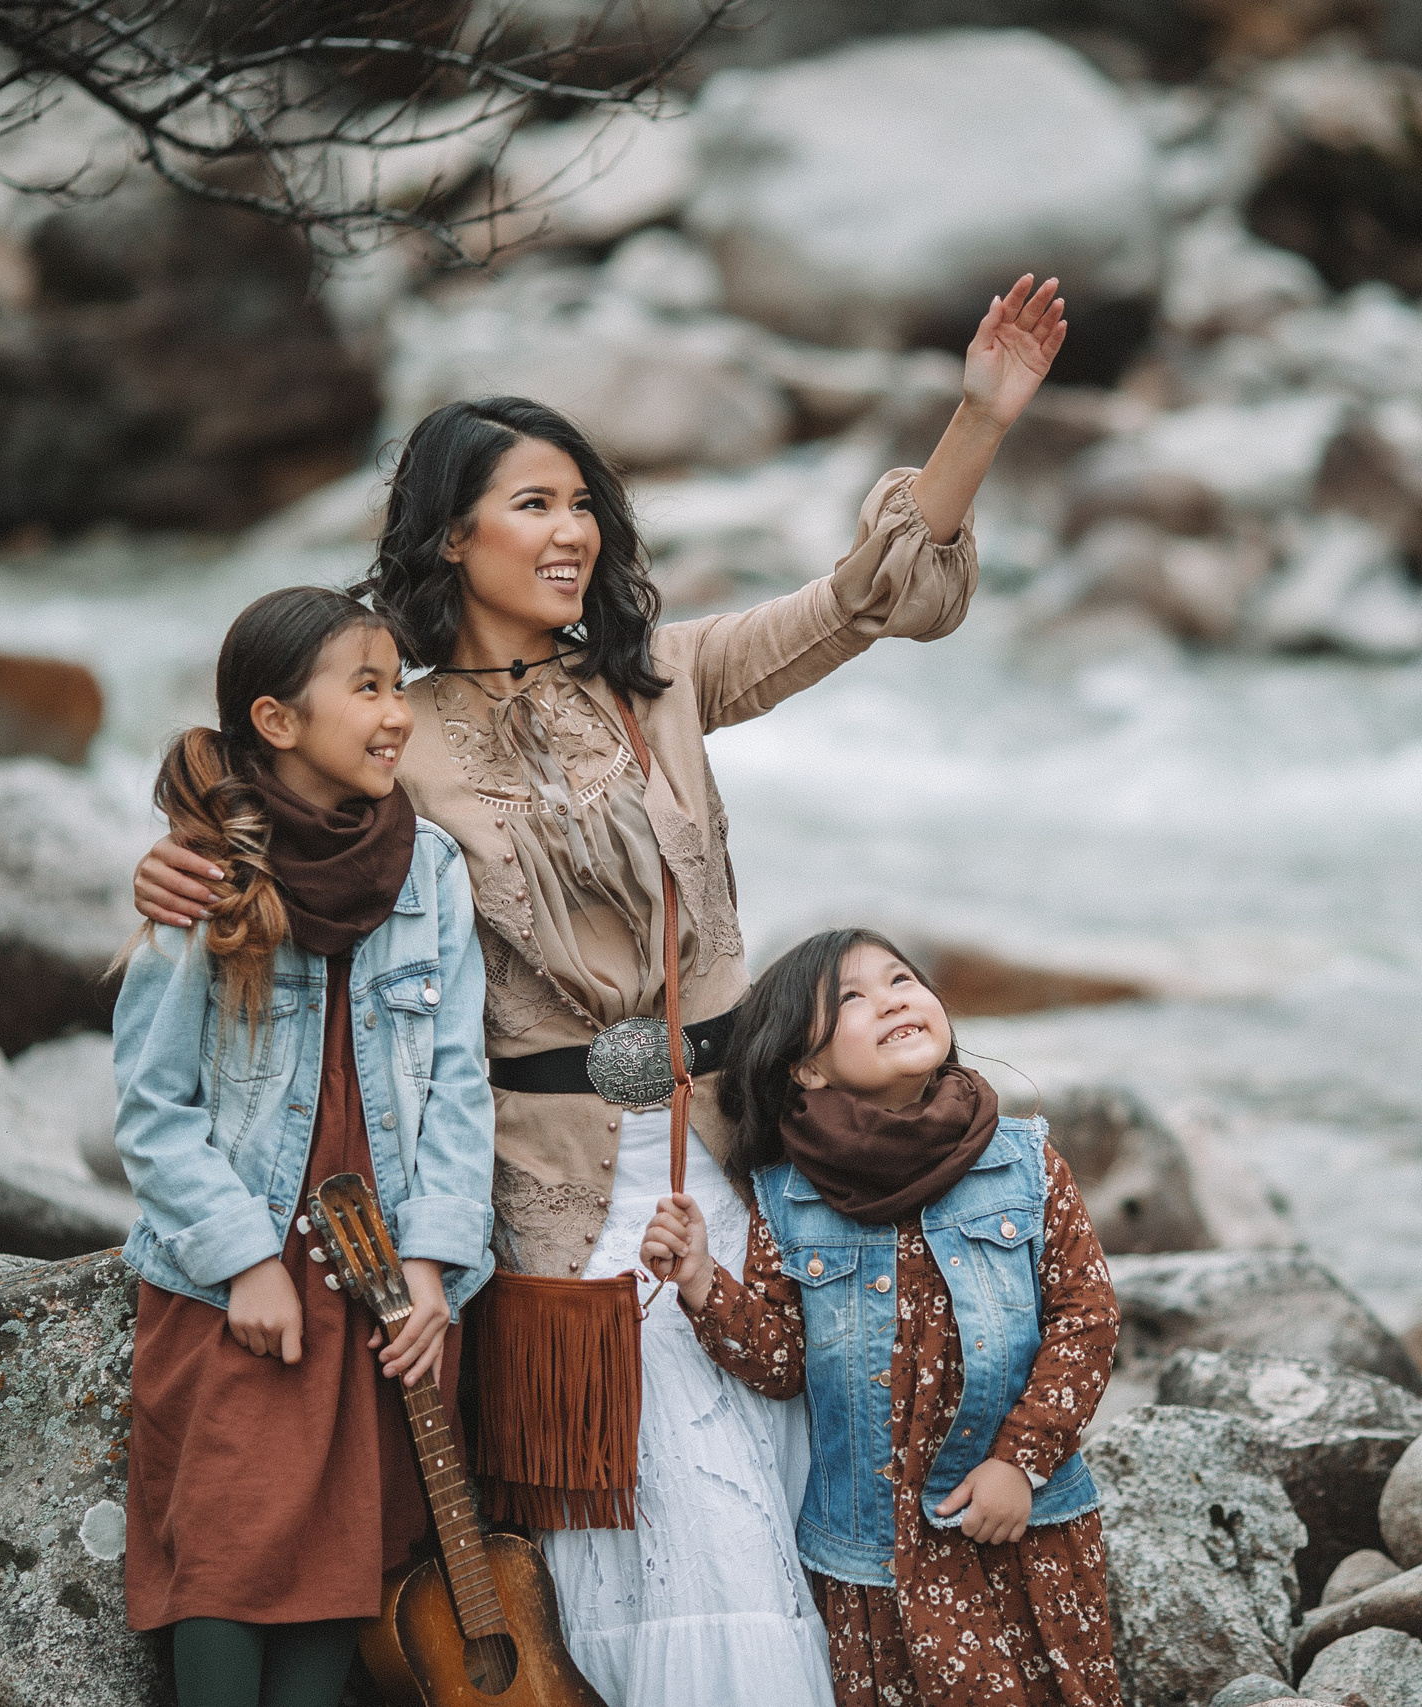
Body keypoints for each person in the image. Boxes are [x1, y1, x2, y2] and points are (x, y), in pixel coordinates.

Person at [134, 275, 1070, 1705]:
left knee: (779, 1479)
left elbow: (863, 601)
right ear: (451, 535)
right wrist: (175, 869)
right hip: (550, 1186)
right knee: (660, 1513)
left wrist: (977, 421)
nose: (570, 531)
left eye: (582, 502)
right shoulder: (402, 724)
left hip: (735, 1153)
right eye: (532, 504)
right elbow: (267, 806)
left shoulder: (661, 677)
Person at [112, 586, 496, 1707]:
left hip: (381, 1281)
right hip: (240, 1286)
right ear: (278, 722)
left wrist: (432, 1267)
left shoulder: (428, 873)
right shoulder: (207, 874)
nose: (395, 715)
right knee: (227, 1548)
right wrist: (242, 1260)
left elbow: (461, 1083)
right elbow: (150, 1103)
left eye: (398, 687)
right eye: (366, 689)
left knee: (347, 1547)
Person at [641, 928, 1122, 1707]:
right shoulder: (788, 1196)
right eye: (852, 999)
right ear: (806, 1066)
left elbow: (1086, 1318)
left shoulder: (1025, 1158)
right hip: (875, 1555)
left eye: (901, 978)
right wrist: (700, 1278)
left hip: (1019, 1523)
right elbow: (783, 1359)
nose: (891, 997)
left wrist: (1020, 1461)